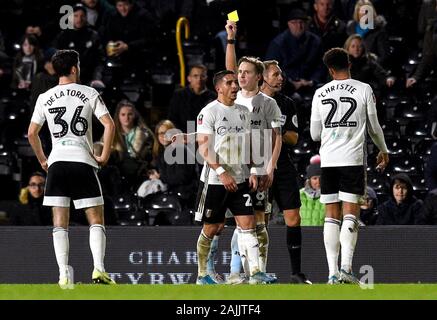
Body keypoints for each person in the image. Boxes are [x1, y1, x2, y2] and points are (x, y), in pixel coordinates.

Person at [27, 49, 116, 286]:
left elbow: (31, 133)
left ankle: (64, 274)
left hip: (57, 161)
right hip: (82, 160)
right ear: (75, 68)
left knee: (59, 221)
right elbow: (109, 124)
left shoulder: (45, 97)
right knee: (96, 218)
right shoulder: (89, 92)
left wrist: (43, 160)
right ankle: (99, 270)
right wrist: (104, 155)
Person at [310, 47, 389, 284]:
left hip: (329, 160)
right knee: (351, 214)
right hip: (352, 159)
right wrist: (383, 150)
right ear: (349, 64)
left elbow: (315, 134)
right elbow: (374, 127)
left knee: (331, 215)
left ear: (330, 70)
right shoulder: (363, 89)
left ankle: (332, 273)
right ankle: (346, 268)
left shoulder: (320, 93)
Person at [195, 70, 275, 285]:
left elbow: (247, 145)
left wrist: (252, 171)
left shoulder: (243, 111)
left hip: (240, 180)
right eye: (229, 83)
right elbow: (204, 147)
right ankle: (203, 274)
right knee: (212, 228)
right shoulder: (208, 112)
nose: (234, 86)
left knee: (248, 224)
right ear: (218, 88)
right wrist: (221, 172)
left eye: (235, 83)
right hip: (215, 180)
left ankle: (256, 273)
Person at [223, 20, 282, 282]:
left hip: (260, 169)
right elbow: (228, 68)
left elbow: (277, 137)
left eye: (247, 72)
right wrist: (231, 39)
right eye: (240, 72)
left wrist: (270, 167)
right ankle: (237, 272)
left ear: (259, 76)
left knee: (259, 222)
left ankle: (258, 271)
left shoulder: (268, 103)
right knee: (241, 222)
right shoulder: (233, 98)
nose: (241, 75)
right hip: (237, 169)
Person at [260, 60, 311, 283]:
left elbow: (293, 137)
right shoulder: (251, 102)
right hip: (258, 167)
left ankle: (296, 273)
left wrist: (274, 129)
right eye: (275, 75)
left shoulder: (288, 103)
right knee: (259, 220)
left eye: (281, 75)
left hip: (283, 166)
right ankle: (257, 272)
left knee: (293, 217)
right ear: (262, 77)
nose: (281, 78)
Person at [265, 8, 325, 94]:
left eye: (302, 22)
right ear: (288, 24)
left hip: (311, 85)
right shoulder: (278, 43)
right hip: (285, 87)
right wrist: (289, 82)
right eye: (295, 23)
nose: (299, 26)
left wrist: (312, 81)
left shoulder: (315, 41)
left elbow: (321, 66)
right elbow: (270, 68)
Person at [53, 4, 105, 87]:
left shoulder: (93, 36)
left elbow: (100, 60)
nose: (79, 19)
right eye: (76, 16)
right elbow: (56, 57)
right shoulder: (63, 36)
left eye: (82, 16)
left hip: (88, 77)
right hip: (67, 78)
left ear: (86, 17)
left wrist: (97, 78)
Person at [150, 119, 198, 209]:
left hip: (184, 196)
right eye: (160, 133)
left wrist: (160, 178)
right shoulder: (160, 152)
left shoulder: (180, 150)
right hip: (170, 193)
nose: (163, 136)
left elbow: (182, 178)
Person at [110, 100, 155, 191]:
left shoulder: (145, 134)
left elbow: (150, 157)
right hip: (118, 179)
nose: (126, 118)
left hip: (140, 176)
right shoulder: (111, 135)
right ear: (118, 116)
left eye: (130, 114)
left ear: (134, 115)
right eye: (123, 114)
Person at [167, 65, 216, 132]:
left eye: (202, 76)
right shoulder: (179, 95)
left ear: (206, 78)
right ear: (189, 78)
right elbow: (172, 118)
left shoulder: (213, 97)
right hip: (182, 135)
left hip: (205, 135)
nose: (199, 79)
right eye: (195, 76)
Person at [346, 0, 390, 66]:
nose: (364, 15)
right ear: (357, 12)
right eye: (362, 12)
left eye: (367, 12)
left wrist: (370, 67)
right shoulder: (350, 29)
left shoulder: (379, 31)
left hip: (370, 69)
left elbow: (384, 56)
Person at [300, 162, 325, 227]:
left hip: (322, 235)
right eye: (315, 178)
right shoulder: (300, 195)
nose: (318, 181)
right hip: (303, 235)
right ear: (309, 180)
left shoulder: (328, 196)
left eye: (321, 178)